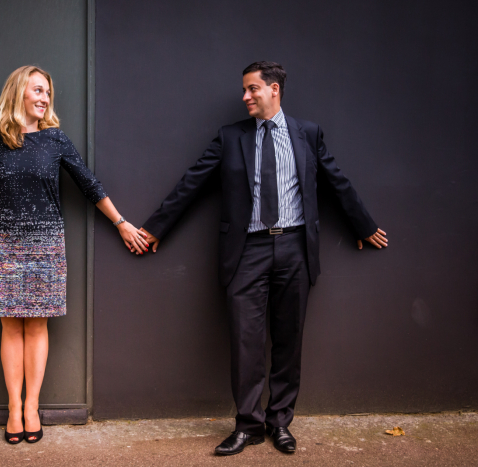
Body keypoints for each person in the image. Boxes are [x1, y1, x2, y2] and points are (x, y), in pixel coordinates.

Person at [140, 61, 387, 456]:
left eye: (252, 89)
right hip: (247, 251)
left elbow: (336, 180)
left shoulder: (307, 134)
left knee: (289, 341)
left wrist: (362, 225)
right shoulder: (230, 137)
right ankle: (249, 425)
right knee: (246, 342)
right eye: (244, 89)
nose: (245, 97)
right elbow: (192, 181)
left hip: (294, 248)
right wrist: (155, 227)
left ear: (274, 89)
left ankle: (280, 423)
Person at [0, 65, 148, 445]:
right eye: (38, 91)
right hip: (2, 243)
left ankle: (32, 407)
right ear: (19, 93)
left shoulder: (56, 140)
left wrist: (121, 222)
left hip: (45, 243)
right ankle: (13, 408)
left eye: (48, 93)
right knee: (10, 325)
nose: (44, 99)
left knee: (38, 326)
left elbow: (89, 184)